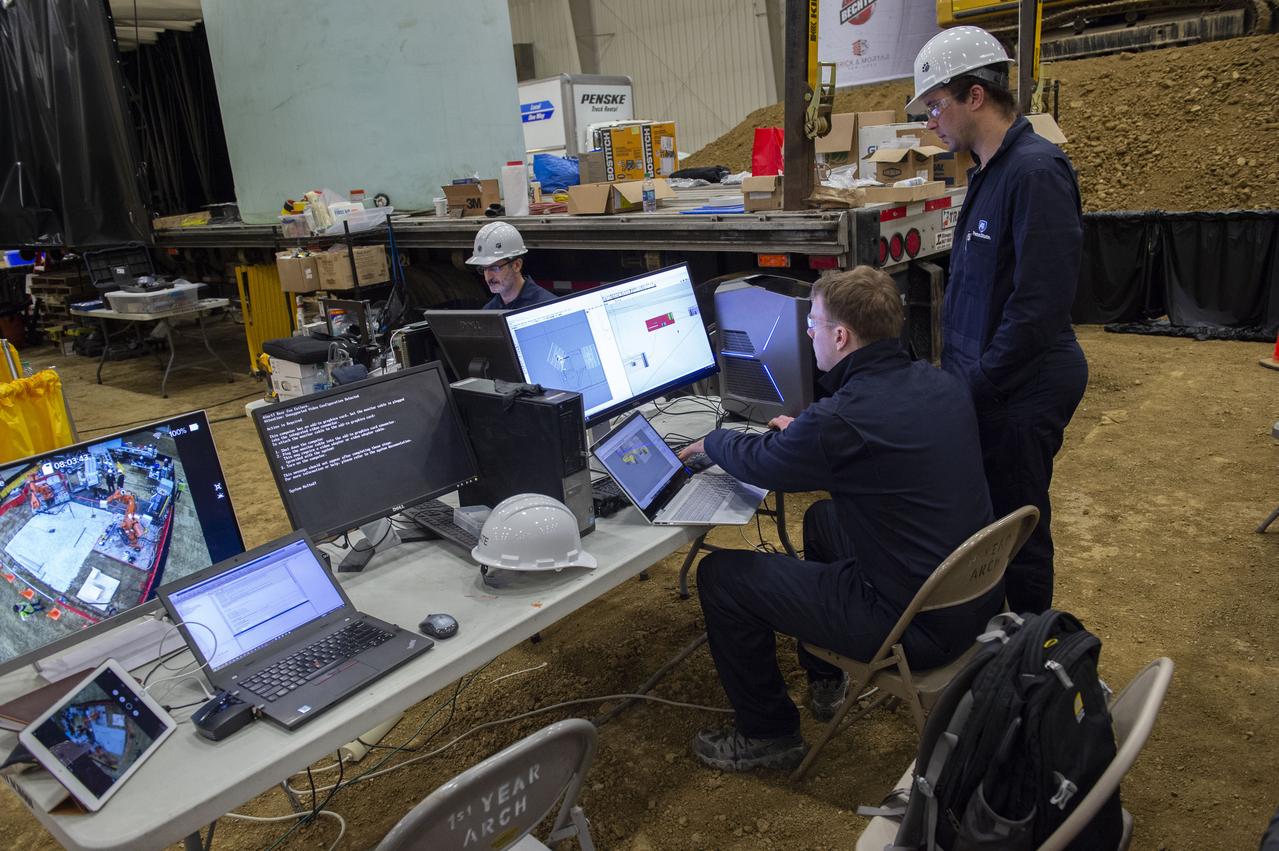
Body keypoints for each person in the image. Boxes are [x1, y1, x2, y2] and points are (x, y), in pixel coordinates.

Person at [675, 266, 998, 772]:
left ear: (841, 336)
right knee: (825, 519)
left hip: (913, 624)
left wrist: (713, 442)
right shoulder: (939, 383)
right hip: (970, 596)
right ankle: (827, 676)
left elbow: (765, 464)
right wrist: (806, 433)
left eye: (814, 323)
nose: (808, 332)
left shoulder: (842, 419)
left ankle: (768, 735)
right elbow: (864, 446)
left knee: (721, 577)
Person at [908, 26, 1088, 614]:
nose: (932, 122)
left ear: (975, 96)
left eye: (937, 105)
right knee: (988, 521)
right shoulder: (988, 169)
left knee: (1018, 530)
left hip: (1020, 387)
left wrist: (978, 386)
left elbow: (1039, 307)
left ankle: (1029, 660)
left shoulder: (1035, 172)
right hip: (987, 382)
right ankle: (997, 636)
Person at [465, 221, 557, 310]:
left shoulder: (548, 307)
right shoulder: (488, 312)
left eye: (494, 268)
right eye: (484, 269)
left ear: (516, 265)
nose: (488, 277)